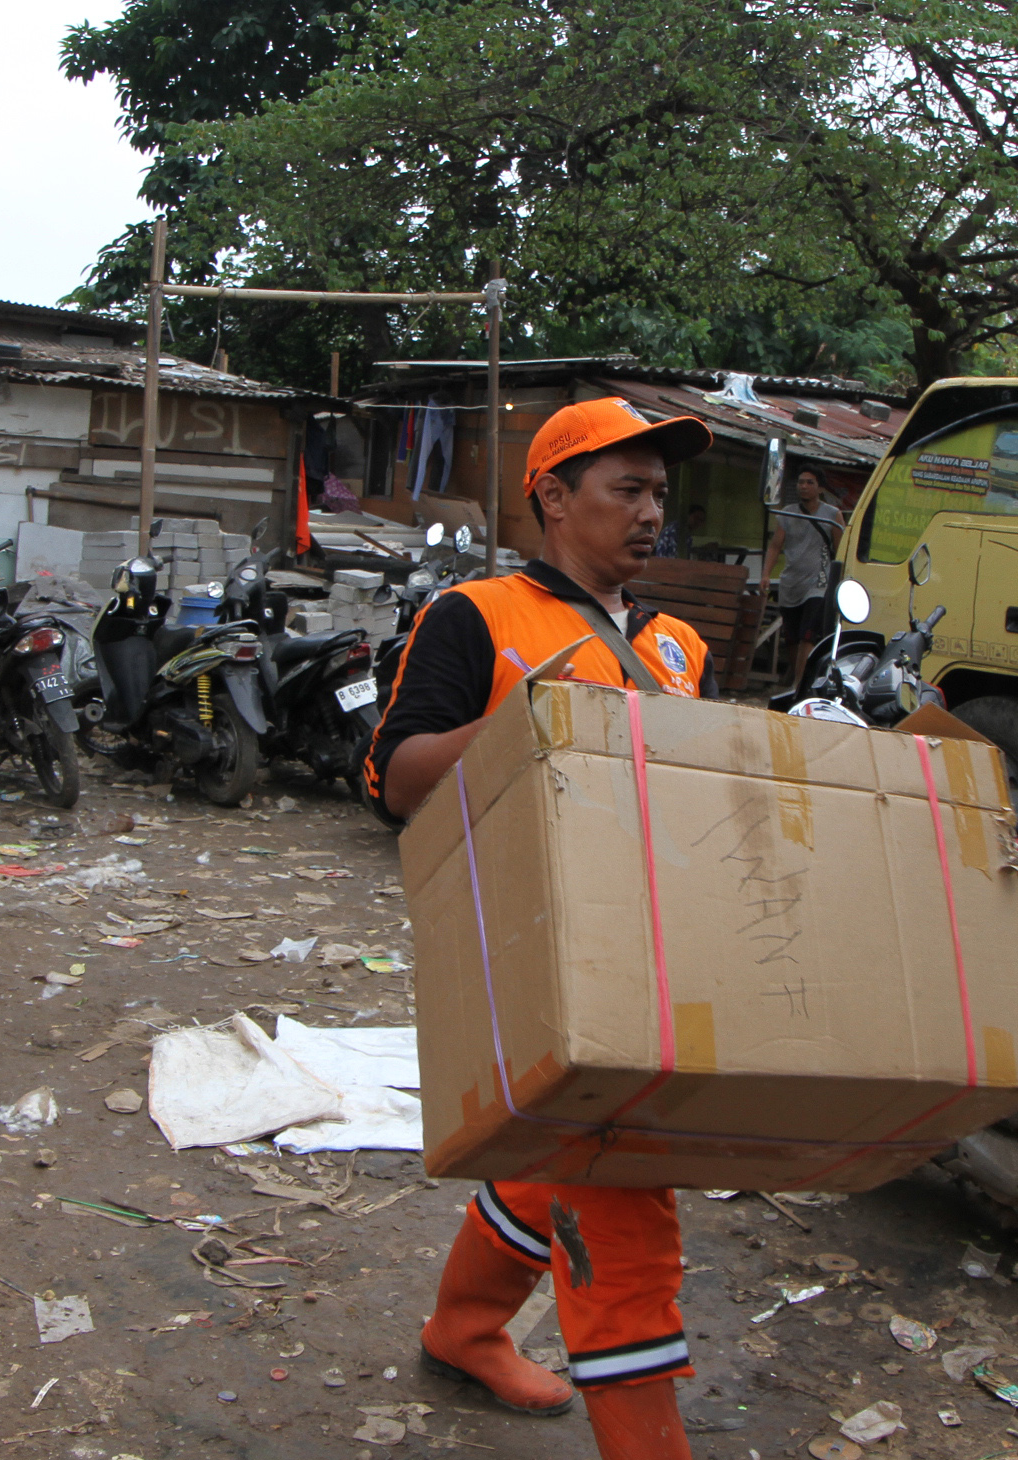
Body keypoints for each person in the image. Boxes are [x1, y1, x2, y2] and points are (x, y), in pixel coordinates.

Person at [364, 397, 716, 1460]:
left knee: (558, 1154)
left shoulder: (678, 645)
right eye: (628, 489)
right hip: (525, 952)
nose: (651, 512)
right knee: (621, 1189)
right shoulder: (478, 616)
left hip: (652, 948)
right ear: (554, 497)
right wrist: (524, 719)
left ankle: (464, 1330)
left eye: (660, 493)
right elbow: (395, 779)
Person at [763, 467, 841, 688]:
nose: (804, 486)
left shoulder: (832, 515)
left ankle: (799, 684)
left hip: (819, 583)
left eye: (809, 482)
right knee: (792, 637)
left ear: (820, 488)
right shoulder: (788, 513)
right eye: (800, 482)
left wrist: (840, 581)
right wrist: (766, 574)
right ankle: (796, 674)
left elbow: (840, 549)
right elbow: (775, 546)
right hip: (791, 583)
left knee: (809, 634)